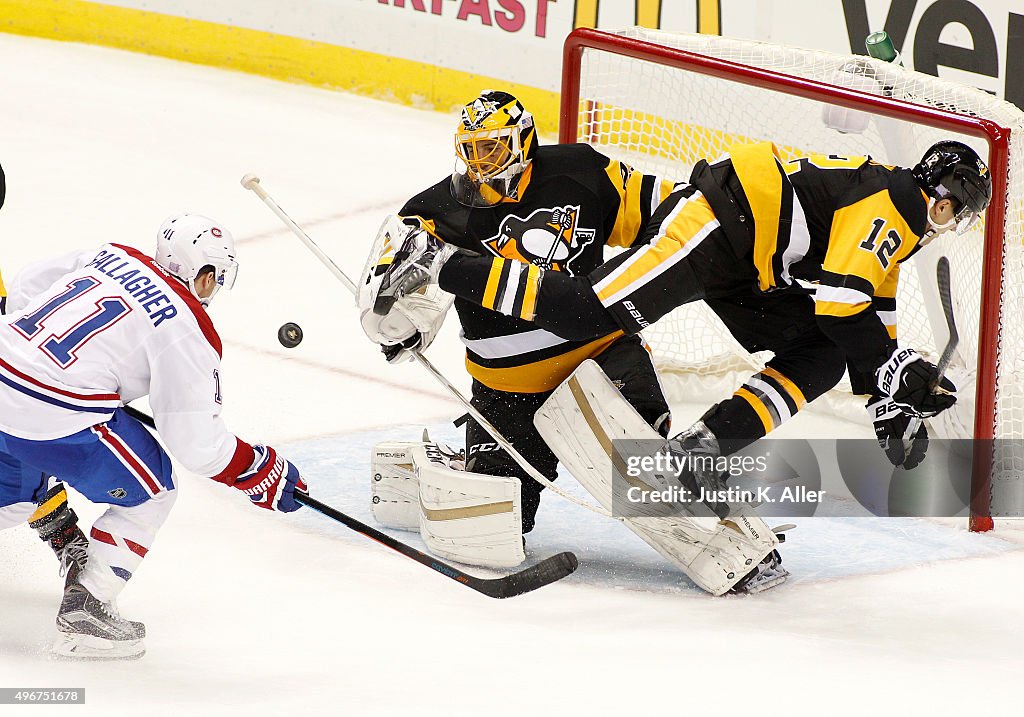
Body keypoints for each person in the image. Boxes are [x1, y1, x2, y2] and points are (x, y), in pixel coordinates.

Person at [375, 139, 992, 477]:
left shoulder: (896, 211)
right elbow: (841, 305)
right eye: (961, 211)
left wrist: (892, 401)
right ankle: (435, 261)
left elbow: (863, 315)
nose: (958, 224)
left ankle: (703, 448)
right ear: (943, 201)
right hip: (717, 222)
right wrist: (901, 368)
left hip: (751, 258)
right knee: (589, 311)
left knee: (823, 355)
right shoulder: (898, 205)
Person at [360, 90, 676, 535]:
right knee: (497, 522)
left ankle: (713, 512)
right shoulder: (434, 211)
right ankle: (466, 467)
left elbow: (672, 214)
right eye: (471, 149)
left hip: (598, 356)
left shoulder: (583, 171)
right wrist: (398, 323)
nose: (480, 161)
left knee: (643, 455)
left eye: (491, 146)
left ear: (523, 139)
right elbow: (399, 292)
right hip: (505, 385)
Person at [0, 213, 308, 659]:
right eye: (215, 280)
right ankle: (88, 611)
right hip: (52, 411)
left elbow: (28, 283)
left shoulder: (109, 255)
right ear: (203, 275)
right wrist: (260, 469)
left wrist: (49, 360)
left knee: (17, 496)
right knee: (154, 490)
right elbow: (197, 444)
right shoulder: (186, 327)